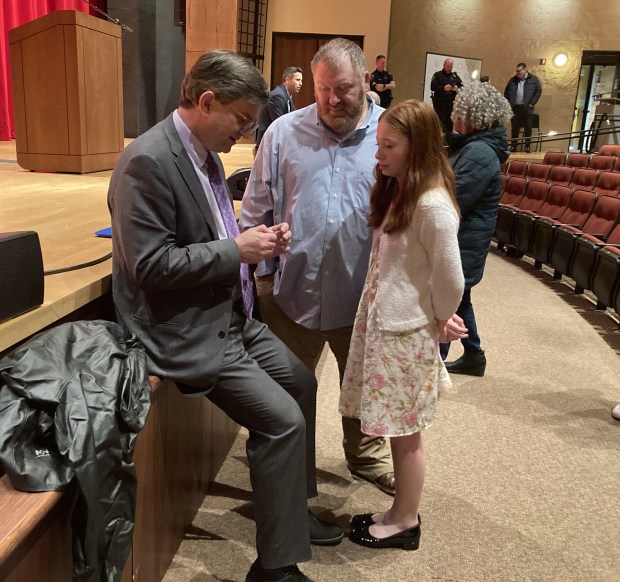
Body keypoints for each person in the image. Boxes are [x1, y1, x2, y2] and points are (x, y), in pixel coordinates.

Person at [108, 49, 343, 582]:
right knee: (282, 424)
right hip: (182, 329)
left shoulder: (205, 153)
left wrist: (256, 244)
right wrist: (239, 250)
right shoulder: (147, 161)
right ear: (206, 101)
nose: (242, 132)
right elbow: (149, 266)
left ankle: (290, 512)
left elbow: (212, 233)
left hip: (228, 315)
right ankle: (274, 568)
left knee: (302, 383)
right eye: (239, 118)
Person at [241, 38, 396, 496]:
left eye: (343, 88)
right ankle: (287, 473)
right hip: (291, 295)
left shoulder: (391, 134)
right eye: (322, 88)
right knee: (284, 396)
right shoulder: (283, 133)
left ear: (366, 81)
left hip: (364, 299)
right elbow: (255, 210)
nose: (331, 99)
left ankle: (366, 457)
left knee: (365, 387)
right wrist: (264, 278)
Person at [340, 99, 465, 550]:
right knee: (396, 427)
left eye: (389, 145)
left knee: (406, 432)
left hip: (405, 332)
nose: (379, 154)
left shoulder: (432, 204)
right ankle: (397, 511)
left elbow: (452, 278)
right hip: (390, 325)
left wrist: (438, 317)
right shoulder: (405, 191)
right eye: (379, 144)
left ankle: (406, 520)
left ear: (419, 146)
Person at [440, 82, 512, 376]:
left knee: (446, 301)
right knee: (460, 298)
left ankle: (433, 364)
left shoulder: (480, 152)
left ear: (472, 116)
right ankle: (474, 355)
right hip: (463, 240)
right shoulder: (474, 147)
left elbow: (453, 199)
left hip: (462, 242)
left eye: (458, 112)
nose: (454, 119)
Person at [255, 66, 303, 147]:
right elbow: (279, 123)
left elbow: (296, 115)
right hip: (267, 144)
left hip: (275, 141)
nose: (300, 83)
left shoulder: (286, 95)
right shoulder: (278, 96)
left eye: (301, 81)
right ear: (287, 80)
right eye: (298, 80)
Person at [503, 62, 542, 152]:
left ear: (525, 70)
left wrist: (532, 103)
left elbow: (538, 91)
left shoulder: (533, 79)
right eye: (516, 71)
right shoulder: (512, 80)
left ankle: (527, 146)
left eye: (519, 71)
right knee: (515, 127)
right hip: (515, 107)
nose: (517, 73)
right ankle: (514, 146)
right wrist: (509, 103)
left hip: (527, 108)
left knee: (528, 128)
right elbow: (506, 92)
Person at [430, 58, 463, 137]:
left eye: (451, 66)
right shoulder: (437, 75)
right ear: (444, 65)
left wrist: (457, 88)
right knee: (439, 123)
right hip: (440, 104)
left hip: (451, 104)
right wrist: (443, 88)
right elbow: (433, 87)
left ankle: (448, 139)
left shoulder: (454, 76)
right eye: (448, 65)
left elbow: (461, 86)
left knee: (449, 123)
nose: (449, 67)